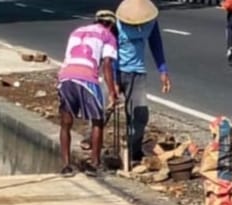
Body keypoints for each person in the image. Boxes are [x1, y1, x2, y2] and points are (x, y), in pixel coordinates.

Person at [57, 10, 120, 176]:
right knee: (97, 120)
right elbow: (107, 65)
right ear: (112, 24)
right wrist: (112, 90)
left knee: (66, 122)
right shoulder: (108, 36)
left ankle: (66, 165)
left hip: (66, 76)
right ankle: (94, 163)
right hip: (87, 79)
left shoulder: (77, 31)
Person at [114, 0, 172, 169]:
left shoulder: (150, 22)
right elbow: (109, 51)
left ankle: (133, 149)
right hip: (117, 71)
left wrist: (163, 70)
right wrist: (114, 83)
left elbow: (156, 44)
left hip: (138, 73)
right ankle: (95, 146)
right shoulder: (116, 25)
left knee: (140, 115)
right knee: (103, 110)